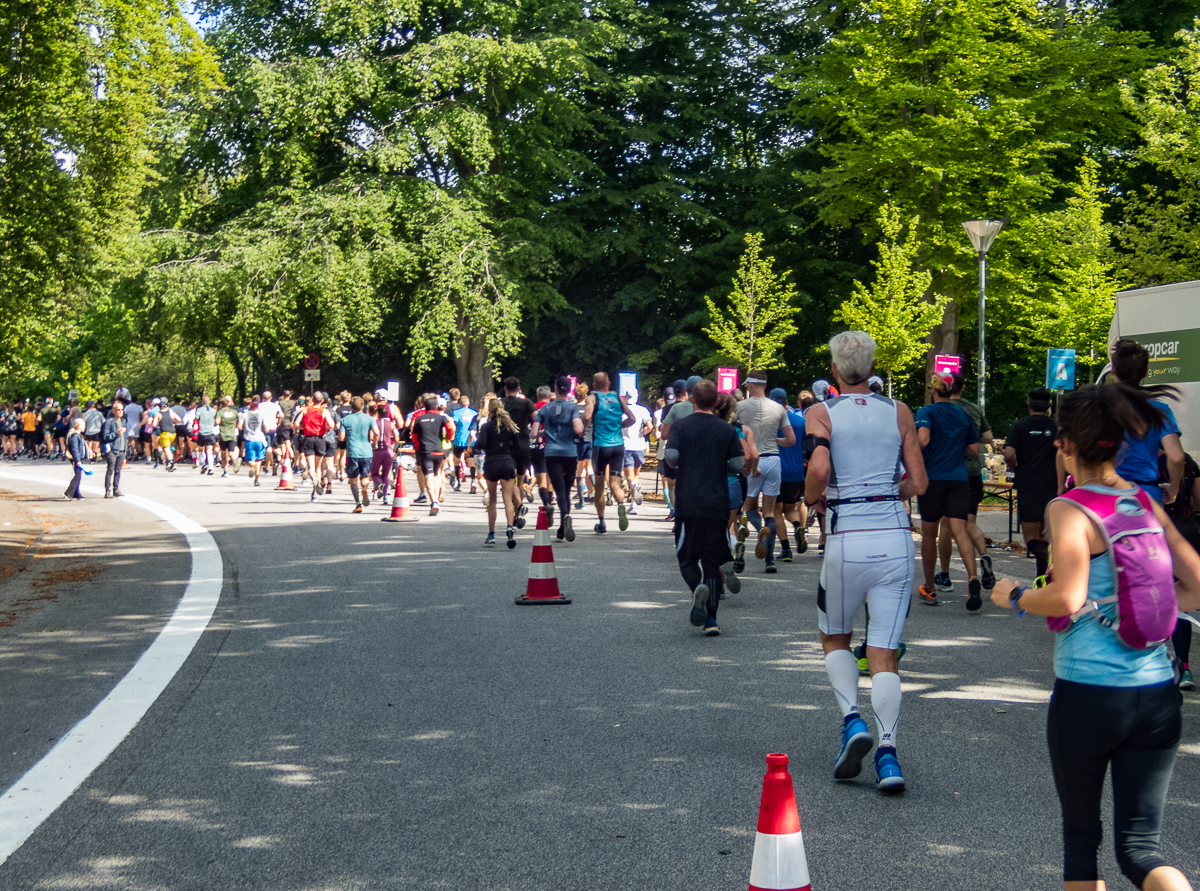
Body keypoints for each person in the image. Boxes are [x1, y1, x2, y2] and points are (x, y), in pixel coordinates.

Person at [991, 382, 1200, 891]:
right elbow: (1194, 585)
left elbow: (1066, 596)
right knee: (1141, 850)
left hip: (1089, 696)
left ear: (1065, 444)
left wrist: (1015, 596)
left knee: (1082, 838)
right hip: (1157, 695)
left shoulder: (1071, 509)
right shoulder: (1144, 503)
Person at [804, 331, 928, 792]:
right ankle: (889, 754)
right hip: (894, 538)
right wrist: (887, 493)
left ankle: (852, 721)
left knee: (835, 635)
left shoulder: (821, 412)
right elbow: (919, 480)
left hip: (845, 536)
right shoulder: (899, 412)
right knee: (884, 651)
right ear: (874, 369)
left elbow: (818, 469)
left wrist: (814, 498)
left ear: (834, 372)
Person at [664, 379, 745, 636]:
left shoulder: (680, 426)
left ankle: (696, 586)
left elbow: (672, 457)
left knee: (686, 557)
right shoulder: (726, 430)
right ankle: (711, 620)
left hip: (688, 501)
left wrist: (676, 467)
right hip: (717, 501)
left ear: (692, 400)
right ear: (718, 402)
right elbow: (737, 464)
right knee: (712, 560)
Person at [915, 372, 982, 609]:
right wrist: (953, 450)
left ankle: (930, 589)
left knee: (929, 534)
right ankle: (973, 578)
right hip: (959, 479)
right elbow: (974, 449)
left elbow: (922, 440)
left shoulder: (926, 412)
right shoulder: (962, 415)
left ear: (933, 390)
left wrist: (914, 451)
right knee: (960, 531)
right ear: (952, 390)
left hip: (932, 478)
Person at [936, 372, 996, 592]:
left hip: (949, 471)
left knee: (946, 525)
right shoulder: (974, 409)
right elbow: (988, 438)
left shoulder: (940, 410)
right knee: (968, 523)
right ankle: (984, 555)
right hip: (973, 472)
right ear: (962, 387)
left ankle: (944, 575)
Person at [1111, 339, 1187, 507]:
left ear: (1113, 370)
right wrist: (1173, 489)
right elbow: (1176, 457)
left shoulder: (1099, 407)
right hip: (1147, 496)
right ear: (1145, 372)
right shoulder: (1160, 409)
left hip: (1107, 494)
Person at [734, 370, 796, 573]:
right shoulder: (779, 408)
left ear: (751, 385)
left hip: (753, 461)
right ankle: (770, 561)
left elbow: (733, 432)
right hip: (774, 459)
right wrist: (774, 440)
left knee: (748, 507)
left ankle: (761, 530)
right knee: (770, 511)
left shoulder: (740, 406)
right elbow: (791, 440)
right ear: (766, 385)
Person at [1005, 387, 1062, 578]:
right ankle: (1043, 578)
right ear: (1048, 407)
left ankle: (1048, 564)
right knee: (1047, 536)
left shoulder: (1019, 425)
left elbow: (1009, 454)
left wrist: (1014, 467)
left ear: (1028, 405)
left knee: (1030, 538)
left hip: (1028, 483)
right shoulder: (1056, 428)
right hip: (1052, 485)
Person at [583, 372, 637, 533]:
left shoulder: (592, 398)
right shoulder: (618, 398)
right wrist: (620, 426)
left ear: (594, 385)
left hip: (601, 445)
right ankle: (621, 505)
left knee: (599, 486)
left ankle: (601, 522)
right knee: (615, 484)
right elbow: (632, 419)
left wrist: (582, 428)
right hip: (618, 446)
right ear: (609, 383)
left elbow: (586, 415)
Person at [532, 377, 585, 541]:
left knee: (559, 490)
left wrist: (544, 432)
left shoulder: (544, 409)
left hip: (552, 453)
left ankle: (565, 519)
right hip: (570, 453)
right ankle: (563, 525)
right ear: (569, 390)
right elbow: (578, 429)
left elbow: (533, 434)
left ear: (555, 388)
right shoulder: (573, 408)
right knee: (567, 491)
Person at [471, 398, 523, 548]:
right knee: (508, 499)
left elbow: (480, 444)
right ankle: (509, 527)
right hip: (507, 462)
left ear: (490, 411)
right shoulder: (510, 426)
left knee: (492, 500)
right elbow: (517, 447)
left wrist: (479, 446)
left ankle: (491, 533)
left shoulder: (487, 427)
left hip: (492, 463)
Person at [771, 386, 807, 562]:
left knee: (776, 510)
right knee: (790, 508)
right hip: (796, 472)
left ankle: (786, 550)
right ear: (787, 402)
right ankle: (798, 527)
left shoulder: (769, 422)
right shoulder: (800, 422)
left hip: (776, 471)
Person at [413, 395, 455, 515]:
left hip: (426, 451)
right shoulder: (441, 418)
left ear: (424, 407)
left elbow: (415, 438)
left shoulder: (419, 419)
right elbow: (450, 428)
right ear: (436, 406)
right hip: (439, 450)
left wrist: (418, 445)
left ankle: (434, 502)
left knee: (428, 478)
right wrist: (448, 437)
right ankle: (437, 498)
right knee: (436, 476)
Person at [659, 378, 695, 522]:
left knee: (673, 486)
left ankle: (676, 512)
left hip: (676, 451)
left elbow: (663, 434)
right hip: (698, 454)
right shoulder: (708, 408)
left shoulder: (672, 409)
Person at [339, 396, 378, 513]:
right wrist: (375, 443)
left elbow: (341, 437)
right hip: (366, 452)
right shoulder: (370, 419)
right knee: (365, 477)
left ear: (351, 407)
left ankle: (357, 503)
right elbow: (376, 432)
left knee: (353, 479)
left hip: (352, 452)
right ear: (363, 407)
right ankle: (364, 489)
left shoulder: (345, 420)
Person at [621, 387, 653, 515]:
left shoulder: (622, 410)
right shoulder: (643, 410)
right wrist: (644, 432)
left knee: (629, 477)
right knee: (636, 475)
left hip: (626, 445)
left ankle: (633, 491)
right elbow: (650, 426)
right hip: (639, 445)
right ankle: (634, 505)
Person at [99, 401, 128, 498]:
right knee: (110, 470)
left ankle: (116, 489)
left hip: (122, 450)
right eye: (118, 410)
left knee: (118, 470)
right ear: (113, 411)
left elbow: (125, 436)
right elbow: (105, 436)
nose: (120, 411)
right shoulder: (109, 421)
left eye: (122, 410)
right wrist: (116, 433)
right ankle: (108, 490)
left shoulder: (123, 421)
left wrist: (126, 448)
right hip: (112, 450)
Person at [451, 395, 478, 491]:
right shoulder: (474, 413)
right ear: (468, 403)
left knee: (457, 461)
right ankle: (473, 482)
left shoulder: (456, 413)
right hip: (470, 440)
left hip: (459, 439)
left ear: (459, 403)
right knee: (471, 461)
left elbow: (454, 425)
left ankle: (458, 483)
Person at [242, 396, 268, 486]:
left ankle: (253, 466)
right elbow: (265, 428)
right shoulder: (261, 415)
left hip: (249, 439)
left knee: (250, 460)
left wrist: (244, 428)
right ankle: (256, 480)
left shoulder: (244, 415)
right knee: (259, 460)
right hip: (260, 439)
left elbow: (239, 426)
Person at [215, 396, 241, 477]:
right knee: (231, 453)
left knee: (223, 453)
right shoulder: (234, 411)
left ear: (221, 404)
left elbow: (217, 422)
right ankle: (235, 460)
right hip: (232, 435)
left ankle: (226, 471)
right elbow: (240, 417)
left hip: (223, 435)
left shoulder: (220, 412)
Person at [64, 419, 88, 500]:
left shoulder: (78, 435)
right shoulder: (75, 436)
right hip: (76, 458)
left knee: (78, 475)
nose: (85, 426)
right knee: (77, 476)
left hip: (78, 457)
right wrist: (78, 460)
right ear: (78, 426)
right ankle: (68, 493)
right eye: (83, 425)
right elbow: (75, 449)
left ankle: (76, 494)